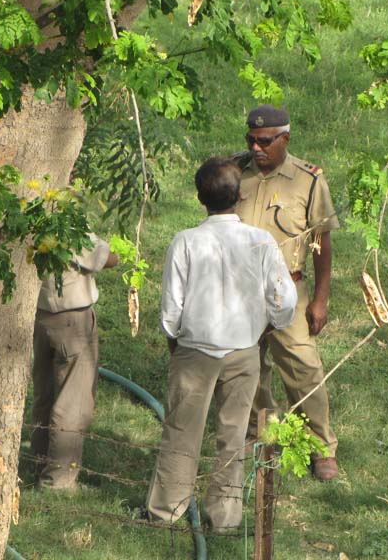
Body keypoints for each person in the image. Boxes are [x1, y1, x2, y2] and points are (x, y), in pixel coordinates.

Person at [146, 157, 297, 531]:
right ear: (240, 195)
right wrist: (267, 327)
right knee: (233, 435)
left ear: (200, 198)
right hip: (244, 350)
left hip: (195, 350)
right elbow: (285, 300)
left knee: (182, 431)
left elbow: (170, 308)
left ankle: (166, 511)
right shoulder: (260, 241)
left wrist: (175, 340)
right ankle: (225, 518)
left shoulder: (186, 241)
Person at [234, 104, 341, 481]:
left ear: (285, 138)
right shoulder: (235, 173)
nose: (256, 148)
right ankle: (261, 434)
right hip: (240, 292)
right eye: (250, 140)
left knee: (303, 368)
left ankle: (319, 447)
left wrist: (320, 298)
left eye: (264, 141)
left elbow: (322, 242)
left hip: (287, 291)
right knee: (245, 367)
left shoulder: (308, 180)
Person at [31, 233, 118, 490]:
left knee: (43, 394)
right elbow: (106, 259)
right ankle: (59, 480)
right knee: (73, 401)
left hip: (41, 314)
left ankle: (37, 458)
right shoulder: (66, 224)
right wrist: (118, 251)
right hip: (71, 318)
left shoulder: (29, 215)